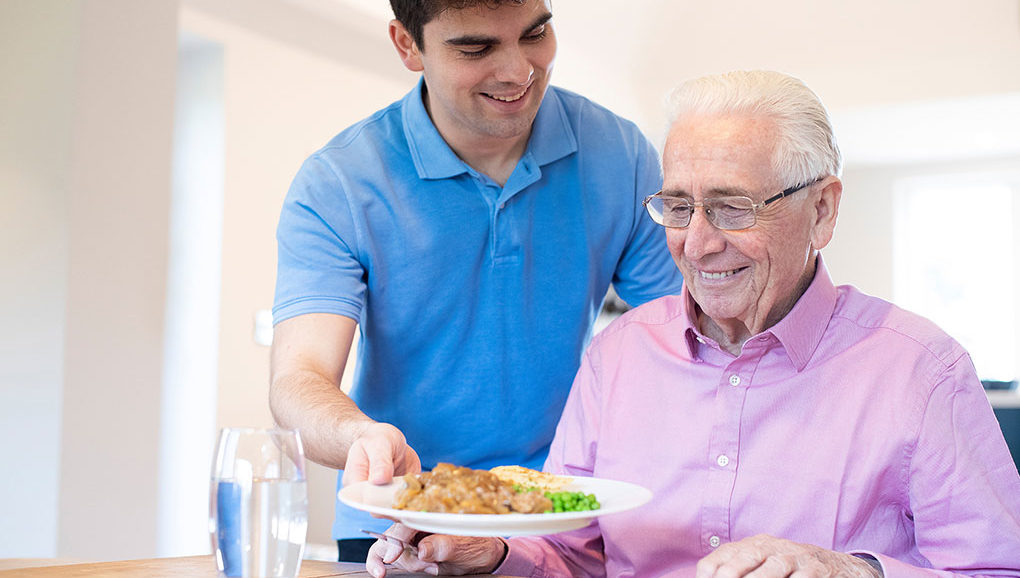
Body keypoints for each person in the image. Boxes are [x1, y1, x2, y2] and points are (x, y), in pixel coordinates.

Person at [365, 70, 1020, 577]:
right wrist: (490, 555)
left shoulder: (922, 372)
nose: (697, 244)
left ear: (822, 210)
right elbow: (571, 555)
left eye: (733, 208)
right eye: (678, 207)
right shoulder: (617, 355)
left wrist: (853, 569)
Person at [269, 0, 684, 562]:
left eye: (535, 33)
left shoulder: (623, 156)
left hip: (556, 522)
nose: (518, 71)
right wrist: (359, 438)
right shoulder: (340, 182)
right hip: (399, 521)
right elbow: (299, 379)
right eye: (476, 48)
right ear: (407, 45)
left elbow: (689, 339)